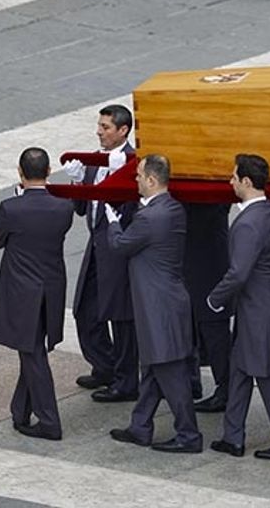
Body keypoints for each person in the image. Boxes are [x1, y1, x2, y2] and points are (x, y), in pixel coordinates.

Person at [103, 155, 203, 453]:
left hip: (158, 308)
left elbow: (120, 246)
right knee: (155, 369)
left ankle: (189, 435)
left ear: (151, 180)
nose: (134, 180)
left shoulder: (149, 217)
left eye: (138, 176)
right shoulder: (174, 209)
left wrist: (113, 223)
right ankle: (140, 426)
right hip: (170, 302)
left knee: (171, 374)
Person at [207, 155, 270, 461]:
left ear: (247, 182)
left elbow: (238, 272)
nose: (230, 181)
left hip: (258, 311)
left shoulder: (247, 223)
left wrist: (214, 299)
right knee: (239, 371)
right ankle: (232, 436)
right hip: (268, 303)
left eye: (234, 177)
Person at [0, 147, 75, 441]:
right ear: (49, 171)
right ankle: (20, 410)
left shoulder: (10, 208)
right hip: (50, 288)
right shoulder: (63, 208)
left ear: (20, 173)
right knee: (32, 346)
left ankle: (49, 421)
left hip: (21, 291)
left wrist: (17, 200)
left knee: (32, 353)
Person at [64, 105, 139, 402]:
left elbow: (134, 209)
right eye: (99, 125)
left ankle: (126, 380)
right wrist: (78, 181)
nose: (99, 131)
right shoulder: (95, 161)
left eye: (106, 127)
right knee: (85, 308)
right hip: (96, 245)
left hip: (118, 250)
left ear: (123, 130)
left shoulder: (133, 162)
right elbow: (82, 207)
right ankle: (104, 366)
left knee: (120, 317)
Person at [183, 202, 233, 413]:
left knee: (216, 338)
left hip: (209, 270)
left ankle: (227, 390)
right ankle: (193, 382)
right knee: (194, 333)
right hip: (195, 268)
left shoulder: (210, 203)